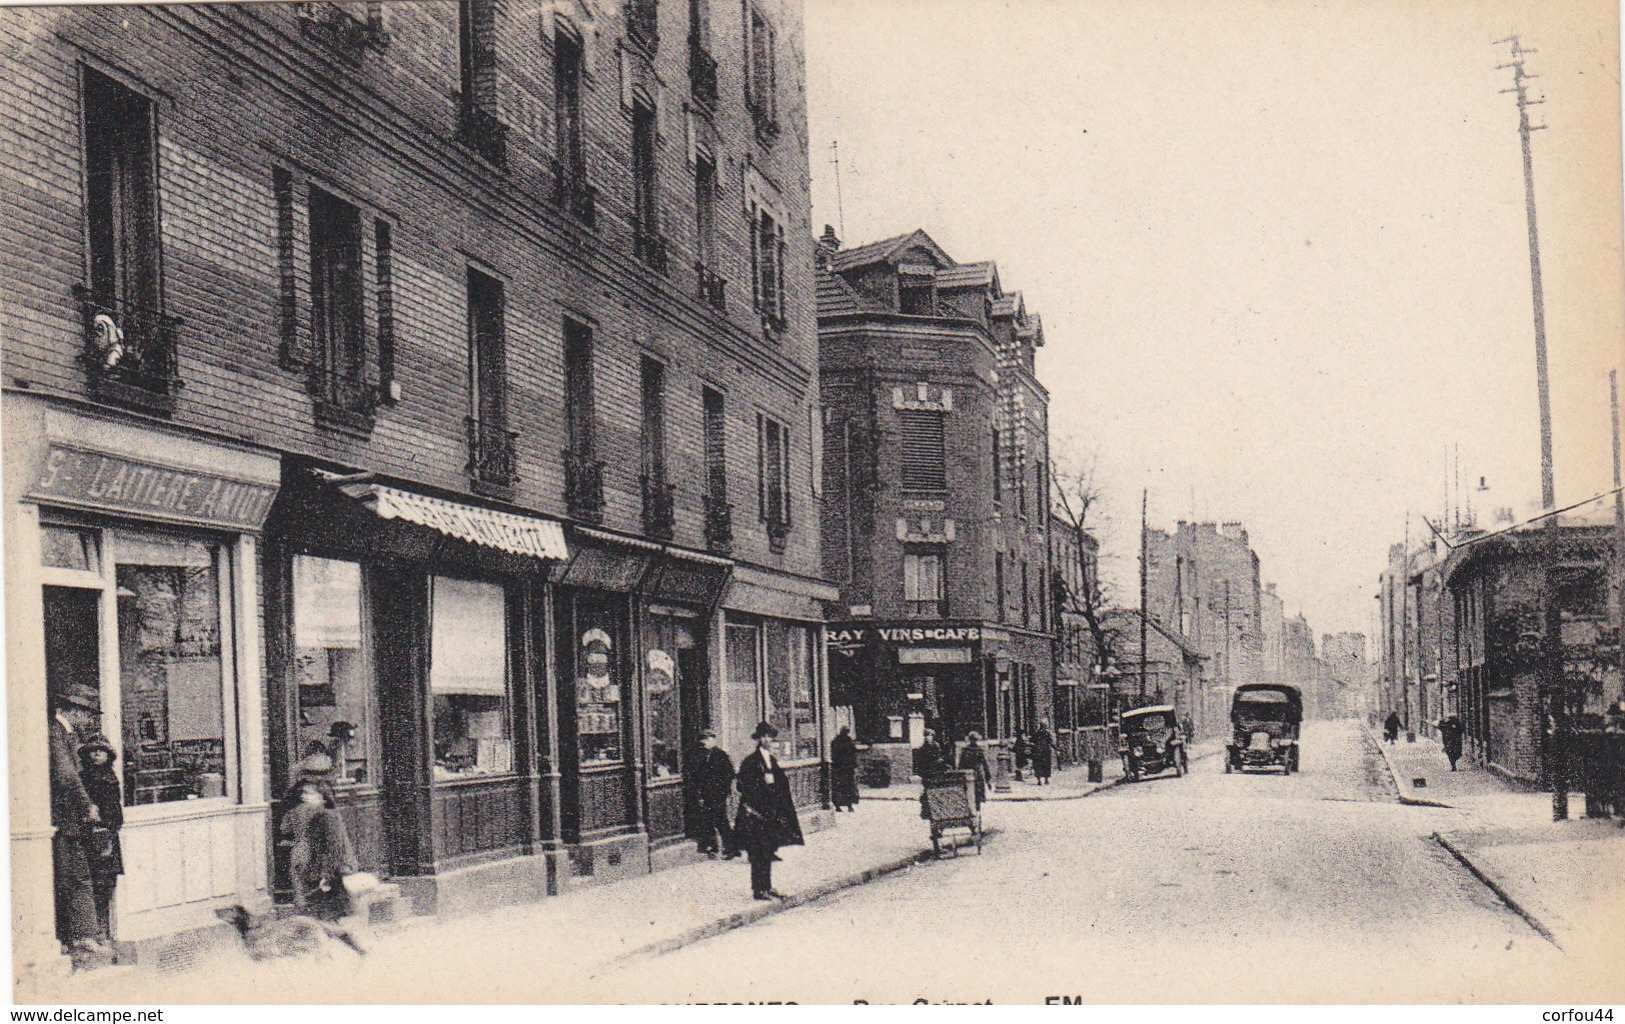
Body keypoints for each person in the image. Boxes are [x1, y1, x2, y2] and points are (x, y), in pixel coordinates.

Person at [49, 683, 108, 969]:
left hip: (70, 821)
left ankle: (82, 935)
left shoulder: (67, 735)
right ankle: (82, 937)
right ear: (71, 710)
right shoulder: (56, 734)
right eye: (86, 713)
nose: (88, 720)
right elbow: (66, 776)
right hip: (64, 821)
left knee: (76, 876)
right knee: (74, 877)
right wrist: (87, 805)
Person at [734, 722, 804, 900]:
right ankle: (758, 889)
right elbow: (742, 785)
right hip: (756, 813)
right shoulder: (751, 761)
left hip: (770, 812)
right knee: (758, 851)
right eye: (763, 736)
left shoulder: (771, 760)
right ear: (758, 739)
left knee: (768, 849)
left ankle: (767, 886)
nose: (766, 739)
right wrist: (761, 786)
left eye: (769, 736)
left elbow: (780, 783)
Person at [281, 778, 358, 923]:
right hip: (322, 874)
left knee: (330, 920)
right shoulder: (317, 816)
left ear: (322, 797)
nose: (304, 797)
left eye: (309, 794)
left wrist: (326, 875)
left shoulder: (327, 817)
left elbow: (333, 849)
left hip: (329, 876)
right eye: (303, 794)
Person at [76, 736, 123, 944]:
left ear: (108, 755)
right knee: (92, 882)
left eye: (101, 751)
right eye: (93, 751)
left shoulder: (111, 777)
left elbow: (116, 809)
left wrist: (110, 826)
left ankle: (104, 930)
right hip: (89, 835)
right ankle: (93, 932)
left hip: (107, 835)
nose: (97, 754)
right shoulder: (83, 778)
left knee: (106, 884)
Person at [691, 729, 737, 858]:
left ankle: (730, 848)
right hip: (705, 794)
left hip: (719, 794)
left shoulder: (721, 755)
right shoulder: (699, 755)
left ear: (713, 740)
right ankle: (712, 847)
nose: (704, 743)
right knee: (708, 820)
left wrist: (724, 791)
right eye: (702, 740)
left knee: (721, 821)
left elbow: (730, 775)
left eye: (706, 740)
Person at [957, 732, 992, 809]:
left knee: (968, 795)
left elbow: (960, 765)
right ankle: (977, 812)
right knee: (977, 795)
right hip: (977, 775)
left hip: (968, 775)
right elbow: (985, 765)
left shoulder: (965, 750)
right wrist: (988, 779)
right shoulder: (979, 750)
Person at [830, 725, 860, 812]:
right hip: (847, 768)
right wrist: (854, 766)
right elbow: (853, 756)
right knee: (848, 787)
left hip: (838, 768)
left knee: (838, 787)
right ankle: (849, 806)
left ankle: (837, 806)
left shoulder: (835, 741)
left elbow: (833, 754)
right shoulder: (849, 742)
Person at [1031, 722, 1054, 786]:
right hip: (1045, 752)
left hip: (1037, 752)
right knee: (1046, 766)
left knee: (1038, 766)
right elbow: (1050, 742)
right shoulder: (1047, 734)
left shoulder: (1036, 734)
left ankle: (1039, 780)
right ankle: (1046, 780)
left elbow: (1031, 740)